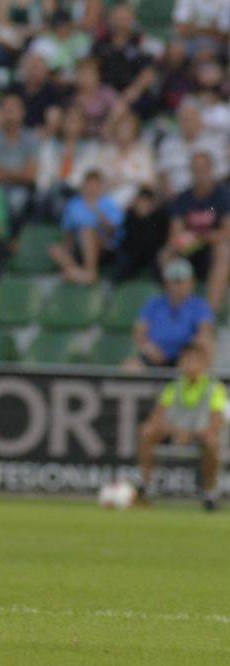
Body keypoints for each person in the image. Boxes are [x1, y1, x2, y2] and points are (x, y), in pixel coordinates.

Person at [137, 343, 224, 512]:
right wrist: (176, 432)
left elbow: (216, 422)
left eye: (194, 361)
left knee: (213, 441)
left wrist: (190, 434)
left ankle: (209, 494)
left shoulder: (214, 388)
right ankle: (146, 487)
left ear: (203, 365)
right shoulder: (173, 387)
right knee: (147, 432)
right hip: (175, 432)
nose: (189, 366)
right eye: (186, 361)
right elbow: (157, 417)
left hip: (200, 434)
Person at [162, 152, 230, 312]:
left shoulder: (224, 195)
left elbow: (227, 232)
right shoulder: (184, 198)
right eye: (196, 169)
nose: (200, 173)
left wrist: (204, 237)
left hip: (213, 247)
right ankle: (181, 307)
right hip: (192, 247)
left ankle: (208, 313)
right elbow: (175, 234)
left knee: (224, 251)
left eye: (203, 169)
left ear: (211, 169)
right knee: (166, 254)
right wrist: (184, 241)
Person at [124, 258, 213, 371]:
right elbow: (139, 331)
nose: (178, 286)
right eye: (174, 281)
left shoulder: (199, 305)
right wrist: (150, 348)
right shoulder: (154, 304)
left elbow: (204, 332)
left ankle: (205, 382)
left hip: (185, 354)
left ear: (191, 282)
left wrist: (187, 351)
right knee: (130, 366)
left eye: (181, 281)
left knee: (205, 343)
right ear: (166, 283)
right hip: (156, 355)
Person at [0, 92, 38, 235]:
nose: (9, 113)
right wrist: (16, 172)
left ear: (22, 112)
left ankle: (12, 239)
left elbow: (30, 175)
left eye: (13, 109)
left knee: (16, 200)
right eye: (6, 109)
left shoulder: (31, 139)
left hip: (22, 189)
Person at [48, 170, 123, 284]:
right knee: (54, 248)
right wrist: (68, 252)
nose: (91, 189)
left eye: (95, 186)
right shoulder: (73, 204)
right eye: (89, 185)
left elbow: (113, 231)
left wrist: (97, 211)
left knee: (87, 230)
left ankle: (90, 272)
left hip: (103, 248)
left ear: (100, 187)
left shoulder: (109, 203)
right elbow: (69, 233)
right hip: (79, 247)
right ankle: (77, 271)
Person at [112, 186, 168, 283]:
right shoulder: (129, 215)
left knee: (160, 263)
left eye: (146, 202)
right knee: (122, 263)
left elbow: (157, 241)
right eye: (141, 201)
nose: (143, 205)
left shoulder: (160, 217)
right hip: (132, 253)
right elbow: (127, 241)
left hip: (152, 254)